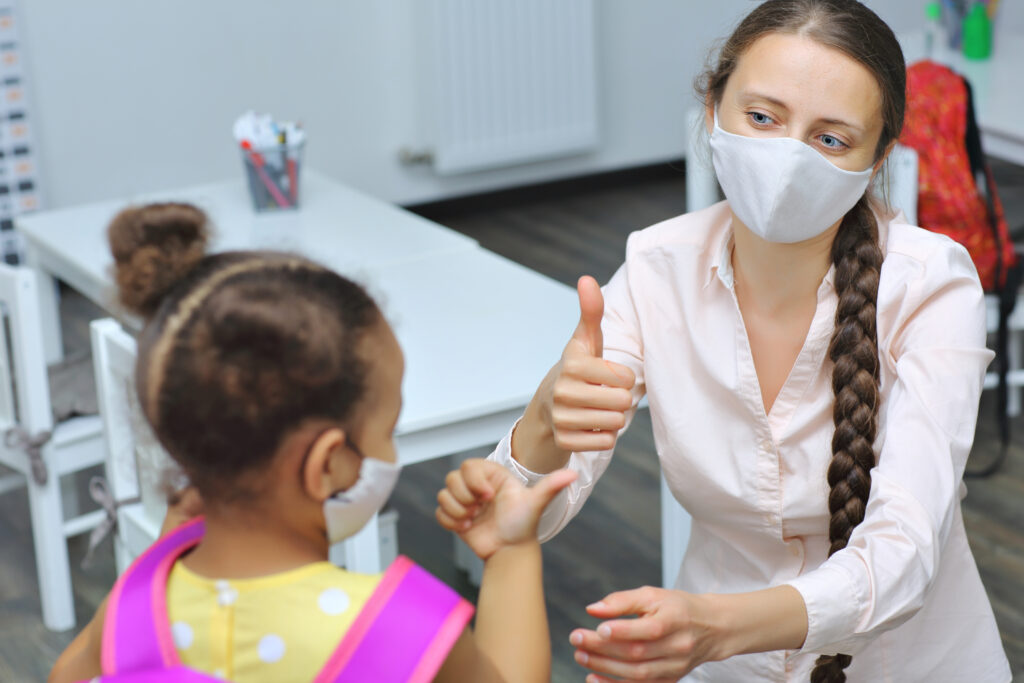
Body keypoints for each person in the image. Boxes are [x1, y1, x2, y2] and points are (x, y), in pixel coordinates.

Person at [438, 1, 1013, 681]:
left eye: (830, 139)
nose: (787, 159)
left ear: (878, 156)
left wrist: (714, 628)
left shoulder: (928, 285)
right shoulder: (657, 268)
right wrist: (542, 421)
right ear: (713, 108)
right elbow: (533, 509)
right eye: (763, 117)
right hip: (716, 661)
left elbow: (904, 554)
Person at [48, 202, 576, 683]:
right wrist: (510, 550)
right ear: (327, 465)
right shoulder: (397, 629)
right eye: (386, 431)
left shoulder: (134, 607)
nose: (390, 452)